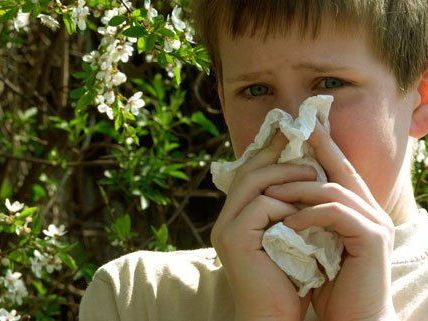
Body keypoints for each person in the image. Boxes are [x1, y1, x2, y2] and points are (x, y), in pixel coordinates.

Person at [78, 1, 428, 320]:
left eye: (330, 83)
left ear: (420, 101)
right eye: (256, 90)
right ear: (224, 106)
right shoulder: (139, 298)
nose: (293, 129)